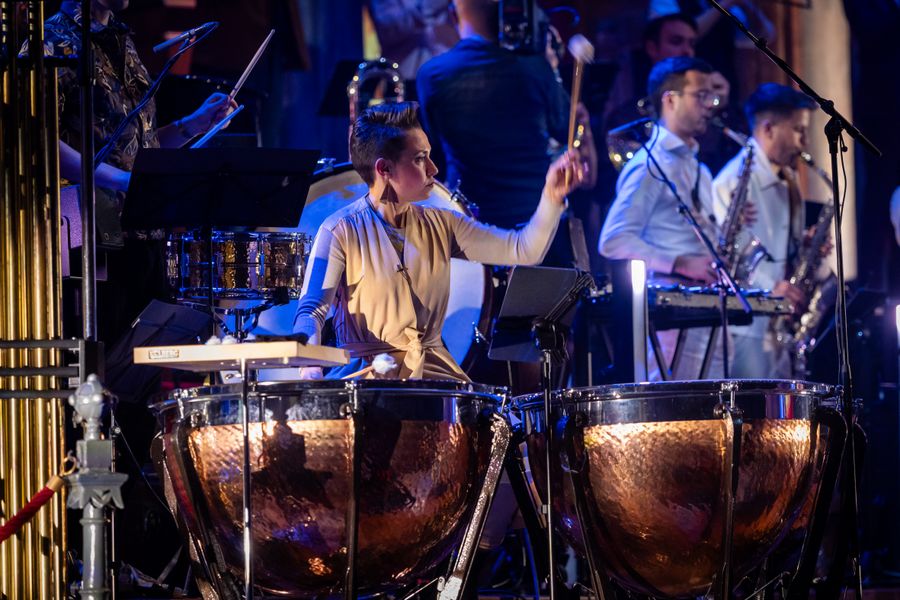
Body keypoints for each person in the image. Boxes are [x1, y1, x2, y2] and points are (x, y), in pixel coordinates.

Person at [294, 101, 585, 381]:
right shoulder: (340, 230)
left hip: (435, 376)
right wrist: (310, 366)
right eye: (420, 159)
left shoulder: (444, 224)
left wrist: (551, 197)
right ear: (384, 169)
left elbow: (523, 250)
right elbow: (312, 310)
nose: (433, 168)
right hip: (366, 379)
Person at [40, 0, 236, 344]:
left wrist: (194, 124)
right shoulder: (51, 42)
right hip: (94, 235)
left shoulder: (122, 41)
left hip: (147, 232)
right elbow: (40, 142)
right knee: (106, 359)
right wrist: (123, 181)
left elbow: (138, 148)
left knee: (148, 361)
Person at [416, 0, 595, 242]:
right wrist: (550, 68)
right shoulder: (534, 67)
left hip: (469, 224)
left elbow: (432, 152)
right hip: (537, 223)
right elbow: (567, 131)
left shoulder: (431, 75)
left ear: (452, 16)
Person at [599, 56, 724, 380]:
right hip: (670, 321)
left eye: (711, 96)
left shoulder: (698, 168)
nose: (709, 105)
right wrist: (679, 262)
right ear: (670, 100)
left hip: (704, 310)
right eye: (700, 95)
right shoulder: (649, 165)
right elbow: (613, 241)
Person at [712, 83, 820, 378]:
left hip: (780, 321)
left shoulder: (789, 179)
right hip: (748, 325)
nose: (805, 141)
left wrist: (806, 246)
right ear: (768, 129)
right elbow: (724, 253)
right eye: (798, 130)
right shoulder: (732, 180)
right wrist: (771, 285)